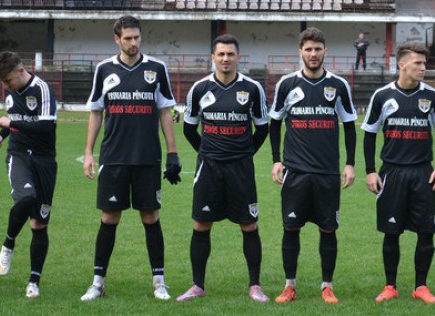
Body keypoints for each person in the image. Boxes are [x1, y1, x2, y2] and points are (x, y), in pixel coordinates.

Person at [80, 15, 181, 301]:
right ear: (117, 39)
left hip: (147, 157)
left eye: (137, 37)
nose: (133, 42)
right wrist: (89, 152)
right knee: (109, 216)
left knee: (151, 216)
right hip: (114, 157)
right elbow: (96, 112)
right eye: (127, 38)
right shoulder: (104, 70)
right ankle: (98, 283)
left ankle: (159, 281)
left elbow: (165, 111)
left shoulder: (156, 69)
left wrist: (172, 153)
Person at [176, 34, 270, 303]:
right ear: (213, 57)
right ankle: (197, 286)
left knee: (249, 225)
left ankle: (255, 286)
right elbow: (189, 128)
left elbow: (262, 128)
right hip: (209, 168)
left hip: (240, 169)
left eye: (230, 54)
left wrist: (245, 152)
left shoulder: (252, 89)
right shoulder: (199, 88)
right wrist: (207, 152)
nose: (226, 59)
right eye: (221, 54)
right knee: (201, 224)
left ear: (238, 57)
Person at [269, 27, 357, 304]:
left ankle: (327, 285)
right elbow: (274, 123)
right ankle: (289, 286)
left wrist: (350, 163)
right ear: (301, 52)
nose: (313, 54)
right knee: (290, 228)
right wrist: (276, 159)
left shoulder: (338, 85)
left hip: (327, 172)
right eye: (308, 49)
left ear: (325, 52)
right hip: (295, 172)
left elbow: (350, 126)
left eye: (318, 49)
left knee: (328, 229)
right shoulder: (287, 84)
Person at [362, 42, 435, 304]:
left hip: (423, 173)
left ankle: (420, 286)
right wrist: (370, 171)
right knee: (391, 233)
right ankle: (390, 286)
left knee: (426, 232)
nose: (423, 68)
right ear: (402, 64)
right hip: (391, 173)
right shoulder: (382, 96)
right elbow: (369, 134)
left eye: (425, 63)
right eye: (418, 63)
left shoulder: (433, 97)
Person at [0, 51, 58, 298]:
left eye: (8, 81)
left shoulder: (43, 89)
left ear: (21, 71)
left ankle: (34, 282)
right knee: (26, 198)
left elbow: (45, 125)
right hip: (18, 154)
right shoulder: (11, 90)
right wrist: (2, 135)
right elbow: (16, 118)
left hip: (44, 160)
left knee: (39, 223)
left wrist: (10, 126)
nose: (6, 86)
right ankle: (8, 244)